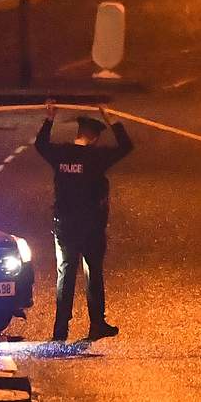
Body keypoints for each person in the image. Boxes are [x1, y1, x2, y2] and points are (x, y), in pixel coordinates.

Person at [34, 100, 133, 342]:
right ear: (96, 137)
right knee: (94, 273)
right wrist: (113, 120)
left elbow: (40, 144)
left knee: (65, 274)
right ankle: (97, 324)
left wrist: (50, 118)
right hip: (91, 226)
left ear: (78, 133)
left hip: (65, 225)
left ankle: (60, 329)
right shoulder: (95, 158)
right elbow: (126, 146)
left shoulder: (61, 154)